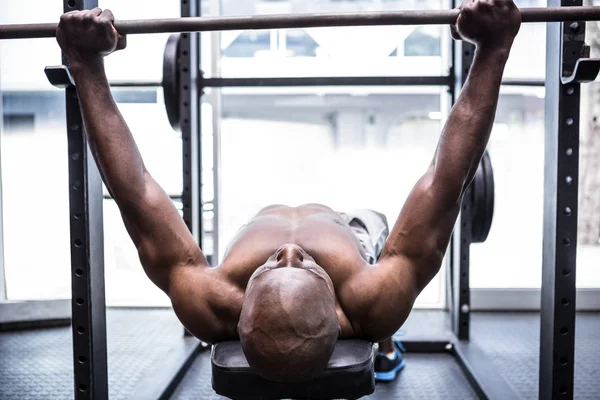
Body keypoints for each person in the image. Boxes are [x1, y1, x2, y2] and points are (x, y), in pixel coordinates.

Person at [56, 0, 521, 384]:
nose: (290, 249)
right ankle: (385, 344)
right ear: (338, 317)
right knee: (377, 242)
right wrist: (494, 47)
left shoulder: (210, 299)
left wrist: (85, 65)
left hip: (294, 236)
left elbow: (134, 191)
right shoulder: (369, 298)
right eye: (305, 265)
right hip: (355, 235)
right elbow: (446, 180)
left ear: (240, 313)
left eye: (274, 263)